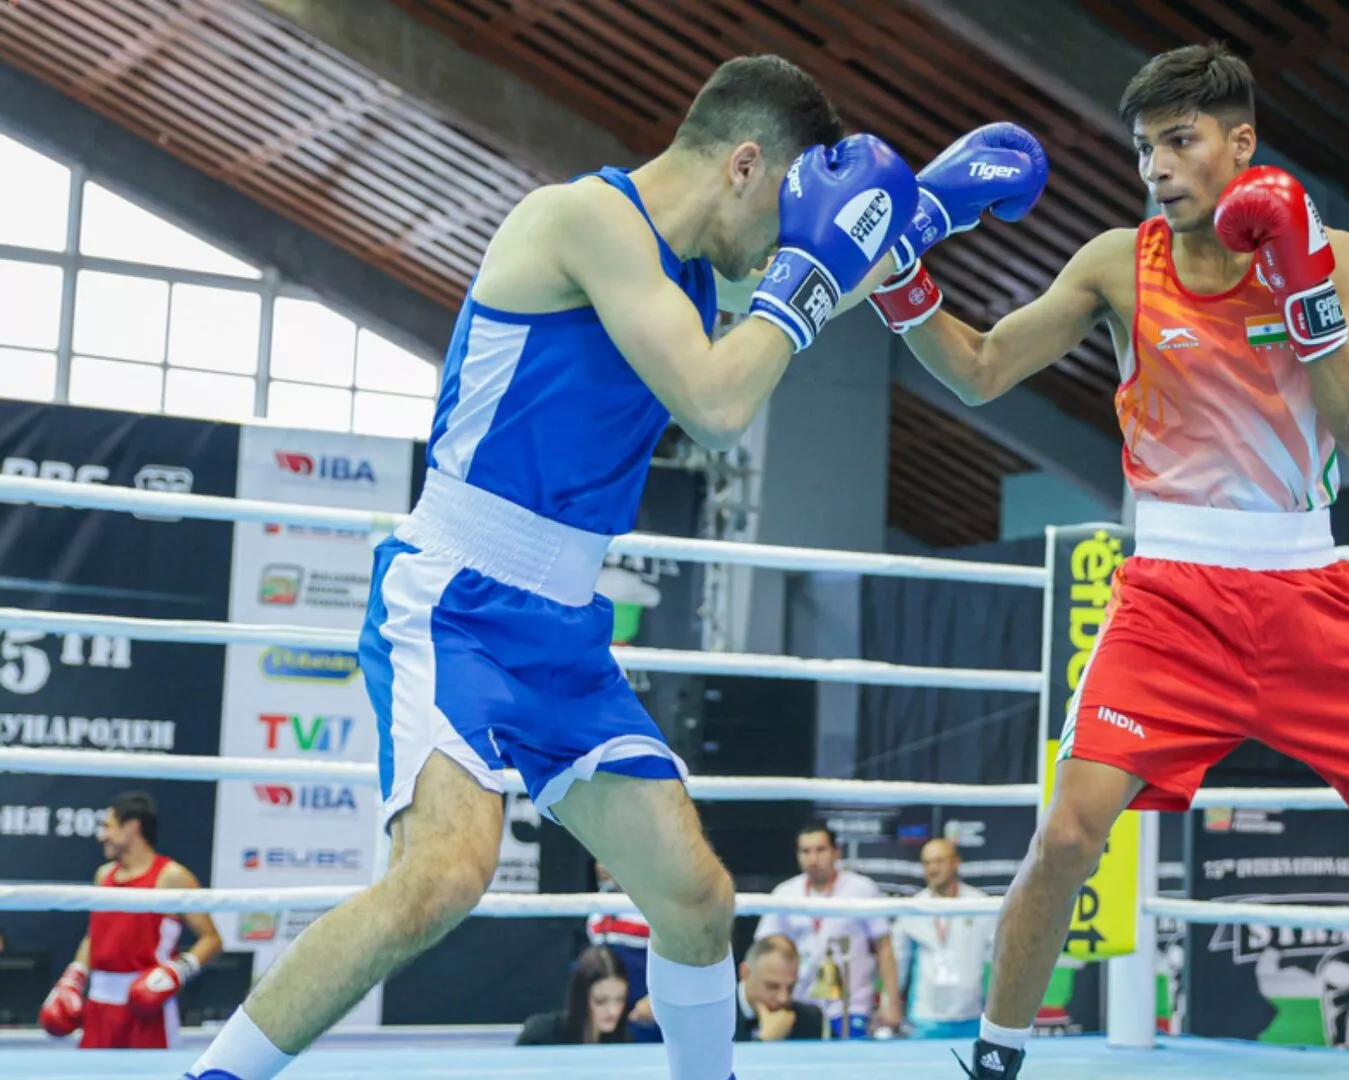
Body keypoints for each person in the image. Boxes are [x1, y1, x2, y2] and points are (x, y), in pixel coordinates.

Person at [182, 49, 1045, 1080]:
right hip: (457, 595)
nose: (782, 238)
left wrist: (910, 227)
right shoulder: (582, 222)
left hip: (562, 624)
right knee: (440, 878)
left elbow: (759, 340)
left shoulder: (676, 280)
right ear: (745, 165)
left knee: (694, 897)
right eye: (788, 206)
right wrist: (819, 268)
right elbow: (722, 404)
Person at [868, 42, 1349, 1080]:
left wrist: (1302, 289)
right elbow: (978, 370)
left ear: (1239, 145)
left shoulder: (1337, 259)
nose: (1155, 166)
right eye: (1144, 146)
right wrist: (895, 275)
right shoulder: (1118, 262)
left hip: (1310, 596)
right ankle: (993, 1062)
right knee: (1065, 839)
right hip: (1167, 602)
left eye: (1179, 141)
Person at [39, 791, 223, 1049]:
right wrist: (73, 977)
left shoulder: (171, 877)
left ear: (132, 827)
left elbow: (211, 938)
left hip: (148, 1008)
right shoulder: (104, 876)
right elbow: (95, 935)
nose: (101, 835)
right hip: (98, 1010)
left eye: (108, 826)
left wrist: (176, 971)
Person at [755, 821, 903, 1038]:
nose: (813, 859)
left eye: (820, 850)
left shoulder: (862, 890)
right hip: (799, 1005)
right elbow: (763, 952)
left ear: (836, 852)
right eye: (806, 851)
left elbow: (884, 948)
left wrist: (892, 1003)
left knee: (848, 1070)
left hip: (850, 1007)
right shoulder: (785, 894)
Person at [892, 839, 994, 1040]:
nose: (932, 868)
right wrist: (891, 1003)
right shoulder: (913, 907)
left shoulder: (981, 904)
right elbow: (898, 961)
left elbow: (1002, 956)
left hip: (971, 1016)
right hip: (924, 1018)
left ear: (956, 862)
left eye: (939, 861)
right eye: (927, 863)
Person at [586, 861, 657, 1040]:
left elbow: (690, 961)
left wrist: (658, 1000)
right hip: (608, 1016)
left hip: (646, 1017)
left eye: (607, 859)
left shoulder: (659, 904)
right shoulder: (597, 904)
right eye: (598, 859)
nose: (601, 867)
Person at [516, 945, 631, 1046]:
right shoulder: (540, 1036)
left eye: (620, 1000)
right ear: (581, 998)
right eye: (600, 1001)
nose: (613, 1011)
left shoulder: (624, 1043)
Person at [733, 935, 825, 1042]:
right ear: (745, 973)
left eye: (790, 987)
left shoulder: (810, 1020)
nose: (783, 998)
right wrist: (766, 1040)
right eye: (772, 986)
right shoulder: (715, 1017)